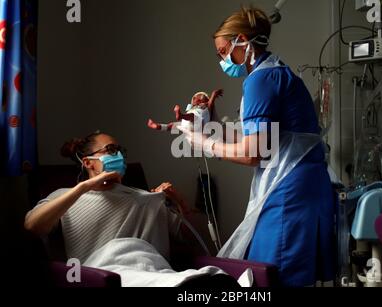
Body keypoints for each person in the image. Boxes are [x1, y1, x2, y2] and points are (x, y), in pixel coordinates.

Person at [181, 7, 336, 287]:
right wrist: (210, 125)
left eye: (223, 50)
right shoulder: (276, 72)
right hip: (304, 184)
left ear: (242, 40)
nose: (221, 59)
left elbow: (255, 152)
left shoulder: (260, 80)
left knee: (275, 276)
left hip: (289, 190)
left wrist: (204, 143)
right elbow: (264, 136)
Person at [23, 132, 239, 287]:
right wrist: (84, 188)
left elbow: (195, 243)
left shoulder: (145, 198)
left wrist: (180, 204)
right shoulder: (66, 197)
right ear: (88, 163)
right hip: (104, 273)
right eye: (111, 150)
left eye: (120, 151)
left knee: (212, 279)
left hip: (153, 269)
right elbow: (32, 226)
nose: (119, 156)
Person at [147, 89, 223, 132]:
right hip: (189, 124)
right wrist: (214, 94)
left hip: (196, 124)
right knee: (172, 125)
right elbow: (211, 100)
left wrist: (214, 94)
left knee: (192, 117)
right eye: (195, 98)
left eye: (200, 98)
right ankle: (158, 126)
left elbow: (211, 101)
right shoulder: (194, 109)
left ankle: (181, 115)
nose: (196, 99)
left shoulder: (206, 107)